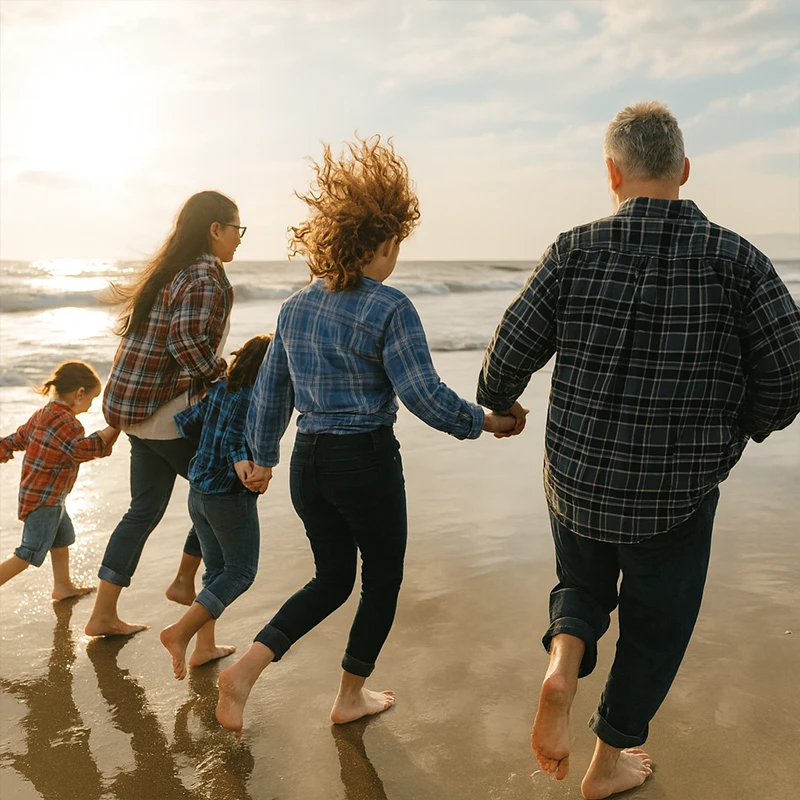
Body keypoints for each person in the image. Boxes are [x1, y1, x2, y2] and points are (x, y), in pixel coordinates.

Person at [477, 100, 800, 799]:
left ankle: (563, 662)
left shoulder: (573, 249)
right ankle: (606, 764)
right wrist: (741, 427)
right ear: (684, 169)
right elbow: (788, 372)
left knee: (582, 586)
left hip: (577, 476)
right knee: (656, 629)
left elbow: (506, 355)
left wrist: (501, 404)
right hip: (675, 491)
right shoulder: (738, 261)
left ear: (611, 174)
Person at [215, 135, 528, 738]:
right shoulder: (389, 307)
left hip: (308, 463)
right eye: (396, 247)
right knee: (381, 579)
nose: (396, 260)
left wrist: (260, 457)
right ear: (382, 243)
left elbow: (271, 390)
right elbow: (423, 396)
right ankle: (349, 697)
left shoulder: (294, 308)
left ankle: (247, 672)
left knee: (331, 578)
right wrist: (487, 421)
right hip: (364, 461)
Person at [85, 190, 245, 637]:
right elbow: (186, 344)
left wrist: (117, 427)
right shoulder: (204, 277)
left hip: (140, 418)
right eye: (237, 229)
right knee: (219, 497)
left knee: (143, 511)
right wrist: (226, 377)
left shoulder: (170, 272)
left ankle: (103, 614)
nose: (239, 240)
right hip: (172, 420)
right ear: (215, 229)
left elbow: (143, 351)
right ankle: (198, 628)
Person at [160, 334, 273, 680]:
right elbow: (235, 439)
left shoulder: (221, 388)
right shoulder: (258, 396)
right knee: (240, 572)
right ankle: (179, 633)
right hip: (228, 494)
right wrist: (240, 460)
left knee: (215, 570)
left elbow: (185, 422)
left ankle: (204, 648)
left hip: (198, 492)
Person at [0, 361, 119, 600]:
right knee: (28, 553)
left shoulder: (43, 413)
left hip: (47, 496)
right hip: (45, 501)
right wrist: (116, 427)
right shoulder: (68, 423)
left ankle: (62, 586)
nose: (90, 406)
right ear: (79, 393)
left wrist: (3, 447)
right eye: (91, 400)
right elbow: (83, 450)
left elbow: (21, 437)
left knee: (62, 539)